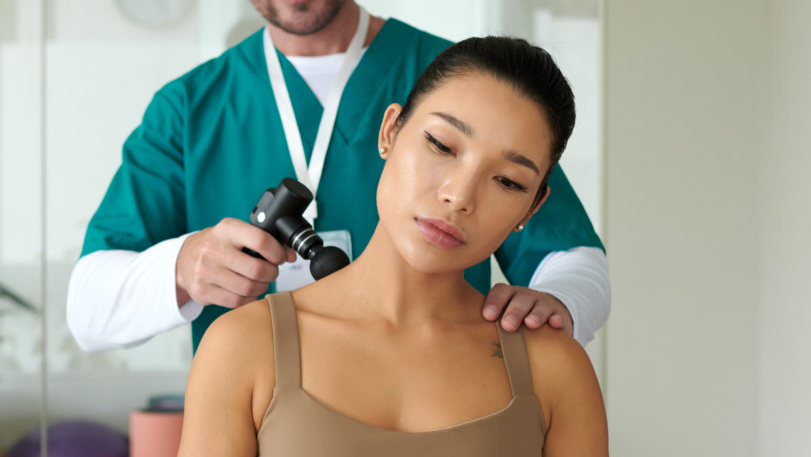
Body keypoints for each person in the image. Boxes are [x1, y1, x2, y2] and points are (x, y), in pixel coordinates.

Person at [66, 0, 610, 354]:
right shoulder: (188, 109)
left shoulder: (457, 84)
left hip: (442, 400)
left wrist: (554, 305)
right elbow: (87, 310)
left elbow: (571, 256)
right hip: (251, 414)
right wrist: (182, 268)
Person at [179, 37, 608, 456]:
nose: (459, 196)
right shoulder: (243, 346)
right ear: (390, 131)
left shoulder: (554, 368)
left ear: (532, 208)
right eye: (441, 145)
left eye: (508, 181)